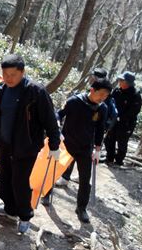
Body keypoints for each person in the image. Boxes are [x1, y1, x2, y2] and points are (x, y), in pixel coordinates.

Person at [0, 54, 60, 234]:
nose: (8, 78)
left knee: (19, 183)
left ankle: (25, 215)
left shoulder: (36, 92)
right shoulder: (3, 88)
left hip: (26, 147)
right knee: (4, 180)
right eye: (5, 74)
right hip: (5, 144)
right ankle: (10, 209)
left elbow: (50, 121)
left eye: (13, 74)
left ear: (22, 72)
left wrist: (54, 146)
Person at [44, 80, 112, 223]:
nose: (102, 98)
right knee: (54, 170)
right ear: (92, 90)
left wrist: (98, 149)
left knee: (85, 179)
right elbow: (59, 114)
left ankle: (81, 208)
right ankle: (47, 193)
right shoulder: (74, 101)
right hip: (67, 143)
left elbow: (100, 129)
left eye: (105, 96)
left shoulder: (102, 108)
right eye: (101, 94)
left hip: (85, 147)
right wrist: (56, 126)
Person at [56, 67, 117, 186]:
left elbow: (101, 125)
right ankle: (65, 177)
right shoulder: (79, 98)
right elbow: (60, 113)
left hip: (89, 135)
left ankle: (75, 178)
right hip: (70, 135)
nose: (91, 78)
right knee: (66, 158)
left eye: (93, 76)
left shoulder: (104, 99)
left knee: (82, 163)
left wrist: (98, 147)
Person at [104, 71, 142, 166]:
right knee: (109, 140)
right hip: (114, 122)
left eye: (122, 80)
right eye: (119, 79)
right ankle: (109, 158)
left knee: (122, 143)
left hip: (126, 124)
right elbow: (110, 103)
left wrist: (121, 117)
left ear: (128, 82)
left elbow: (134, 111)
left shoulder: (135, 95)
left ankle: (119, 161)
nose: (119, 81)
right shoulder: (117, 91)